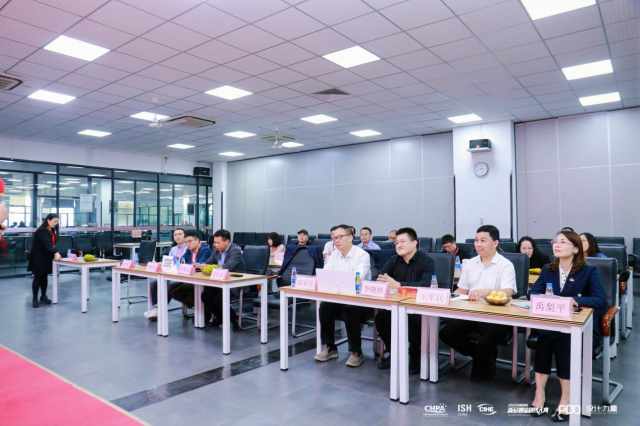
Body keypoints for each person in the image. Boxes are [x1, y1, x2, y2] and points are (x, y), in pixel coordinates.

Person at [529, 230, 606, 421]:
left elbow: (600, 300)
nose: (557, 245)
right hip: (552, 322)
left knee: (564, 341)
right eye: (555, 242)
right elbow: (533, 293)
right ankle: (540, 393)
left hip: (579, 327)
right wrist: (544, 298)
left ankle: (566, 399)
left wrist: (575, 301)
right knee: (545, 337)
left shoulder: (588, 271)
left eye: (563, 242)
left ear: (575, 248)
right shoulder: (548, 269)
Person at [439, 225, 517, 380]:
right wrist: (447, 297)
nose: (478, 244)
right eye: (476, 240)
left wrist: (486, 292)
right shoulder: (470, 264)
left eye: (483, 240)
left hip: (495, 316)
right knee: (446, 333)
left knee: (484, 343)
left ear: (495, 243)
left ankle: (483, 359)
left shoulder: (505, 265)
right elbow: (462, 290)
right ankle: (481, 356)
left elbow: (508, 291)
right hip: (470, 313)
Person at [374, 227, 434, 372]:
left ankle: (415, 357)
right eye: (396, 243)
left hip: (419, 306)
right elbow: (381, 278)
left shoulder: (427, 261)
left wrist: (399, 285)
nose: (398, 245)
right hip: (396, 305)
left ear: (415, 243)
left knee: (414, 320)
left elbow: (425, 285)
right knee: (381, 318)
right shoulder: (394, 260)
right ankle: (394, 353)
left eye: (402, 242)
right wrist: (384, 283)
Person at [315, 224, 372, 368]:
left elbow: (357, 279)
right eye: (334, 238)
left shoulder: (362, 255)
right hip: (339, 297)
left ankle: (356, 352)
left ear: (351, 237)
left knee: (350, 307)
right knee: (324, 307)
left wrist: (338, 281)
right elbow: (326, 275)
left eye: (340, 237)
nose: (337, 240)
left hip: (361, 301)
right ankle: (330, 348)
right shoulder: (334, 255)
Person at [201, 229, 245, 328]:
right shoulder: (216, 250)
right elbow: (208, 262)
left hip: (235, 283)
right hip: (220, 281)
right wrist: (202, 265)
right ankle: (222, 317)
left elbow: (228, 267)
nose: (215, 245)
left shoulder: (235, 250)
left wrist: (212, 268)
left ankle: (231, 318)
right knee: (205, 295)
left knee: (219, 298)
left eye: (218, 242)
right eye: (214, 242)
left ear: (227, 241)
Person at [145, 228, 188, 320]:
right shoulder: (173, 249)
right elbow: (169, 262)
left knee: (169, 285)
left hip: (184, 276)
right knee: (154, 283)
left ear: (185, 236)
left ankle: (160, 309)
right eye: (175, 235)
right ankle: (156, 307)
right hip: (172, 274)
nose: (178, 236)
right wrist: (162, 263)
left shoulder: (188, 248)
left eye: (180, 234)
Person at [27, 213, 62, 308]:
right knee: (37, 278)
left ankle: (43, 296)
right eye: (54, 221)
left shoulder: (52, 229)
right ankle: (34, 299)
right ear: (48, 220)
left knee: (44, 277)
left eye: (57, 222)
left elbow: (53, 243)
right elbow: (47, 244)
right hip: (38, 258)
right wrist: (56, 252)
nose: (56, 223)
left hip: (46, 257)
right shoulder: (42, 231)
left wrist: (54, 251)